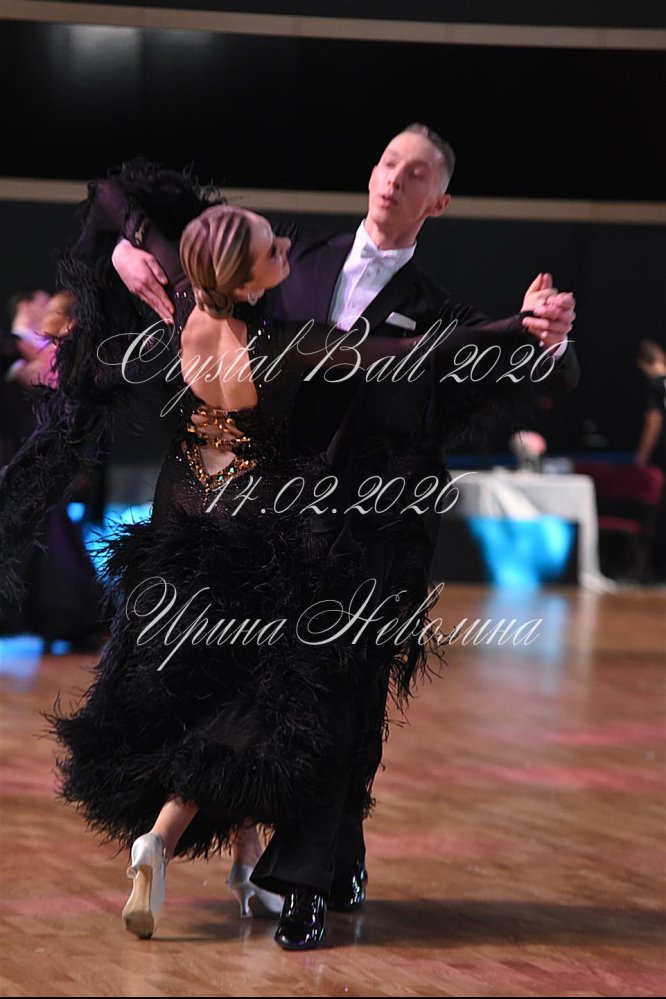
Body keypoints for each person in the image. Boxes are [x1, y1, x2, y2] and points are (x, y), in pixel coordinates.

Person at [108, 125, 579, 938]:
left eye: (417, 172)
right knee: (267, 696)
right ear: (371, 173)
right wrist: (124, 249)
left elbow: (526, 369)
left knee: (341, 699)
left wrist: (547, 334)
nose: (396, 178)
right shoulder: (290, 260)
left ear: (440, 201)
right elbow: (158, 228)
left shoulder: (433, 304)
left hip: (366, 535)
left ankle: (299, 876)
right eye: (389, 162)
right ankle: (286, 862)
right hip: (262, 529)